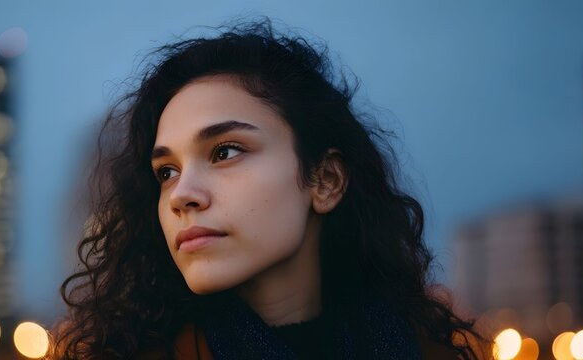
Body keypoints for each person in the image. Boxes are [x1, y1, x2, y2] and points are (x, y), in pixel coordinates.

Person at [54, 19, 485, 359]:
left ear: (326, 180)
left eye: (224, 151)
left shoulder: (425, 352)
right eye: (166, 171)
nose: (182, 195)